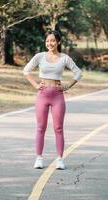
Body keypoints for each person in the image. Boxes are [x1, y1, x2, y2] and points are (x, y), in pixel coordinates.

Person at [23, 30, 82, 170]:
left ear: (58, 42)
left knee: (58, 128)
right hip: (42, 96)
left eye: (53, 41)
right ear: (45, 42)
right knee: (40, 127)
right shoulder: (40, 56)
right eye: (48, 41)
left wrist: (67, 85)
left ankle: (60, 159)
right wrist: (36, 85)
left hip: (57, 96)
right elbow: (26, 71)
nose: (50, 43)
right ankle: (39, 158)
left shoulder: (64, 58)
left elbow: (78, 73)